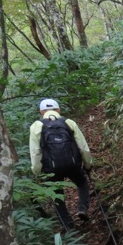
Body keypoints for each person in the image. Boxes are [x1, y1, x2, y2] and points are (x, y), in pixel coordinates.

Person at [29, 98, 93, 229]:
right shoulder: (69, 123)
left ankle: (69, 226)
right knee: (82, 182)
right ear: (58, 110)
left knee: (57, 196)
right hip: (72, 164)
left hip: (51, 168)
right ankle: (82, 208)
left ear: (41, 112)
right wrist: (88, 165)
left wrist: (37, 172)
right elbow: (83, 146)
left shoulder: (36, 126)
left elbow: (35, 152)